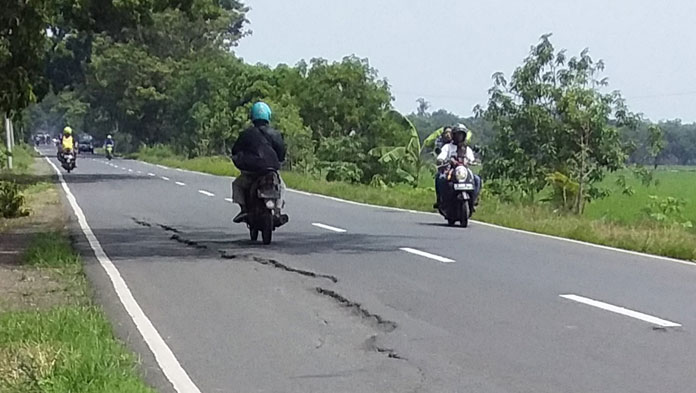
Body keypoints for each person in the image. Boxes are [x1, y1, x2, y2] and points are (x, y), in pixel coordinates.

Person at [231, 102, 287, 223]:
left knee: (237, 185)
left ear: (252, 116)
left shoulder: (246, 134)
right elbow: (282, 151)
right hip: (271, 170)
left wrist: (240, 160)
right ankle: (277, 211)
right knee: (281, 187)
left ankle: (244, 209)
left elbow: (235, 150)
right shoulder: (275, 134)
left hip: (252, 171)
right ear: (268, 115)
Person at [434, 124, 481, 209]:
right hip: (451, 170)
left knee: (477, 179)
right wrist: (441, 160)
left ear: (464, 136)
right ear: (454, 135)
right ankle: (441, 200)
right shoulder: (447, 147)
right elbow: (441, 156)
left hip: (464, 171)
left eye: (461, 134)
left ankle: (474, 200)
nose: (459, 136)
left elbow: (472, 159)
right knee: (440, 179)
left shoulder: (467, 149)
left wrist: (473, 161)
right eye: (458, 134)